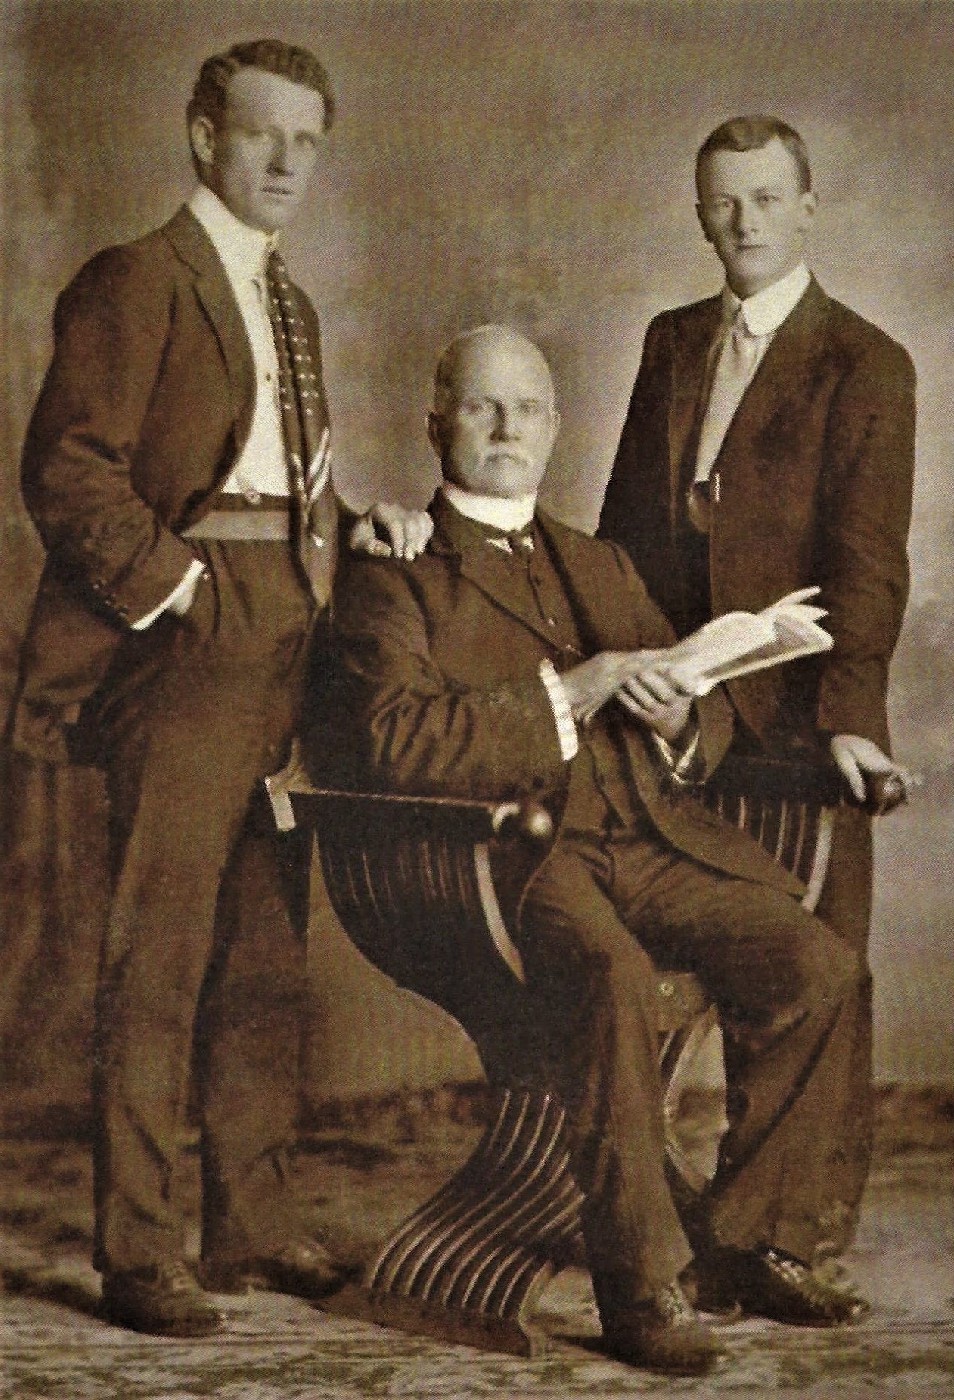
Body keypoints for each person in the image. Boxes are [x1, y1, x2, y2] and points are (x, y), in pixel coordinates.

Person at [321, 323, 869, 1378]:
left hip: (644, 837)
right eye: (481, 406)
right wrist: (573, 690)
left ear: (557, 428)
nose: (506, 428)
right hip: (514, 862)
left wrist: (672, 717)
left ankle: (749, 1238)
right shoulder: (396, 572)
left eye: (527, 408)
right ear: (438, 421)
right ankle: (640, 1280)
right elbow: (398, 740)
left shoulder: (597, 559)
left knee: (819, 962)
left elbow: (700, 723)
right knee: (613, 975)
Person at [7, 38, 430, 1337]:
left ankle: (245, 1229)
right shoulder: (136, 280)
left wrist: (363, 530)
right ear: (203, 137)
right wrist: (180, 591)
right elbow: (69, 470)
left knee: (261, 947)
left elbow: (276, 481)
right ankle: (140, 1250)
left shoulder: (288, 302)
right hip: (184, 644)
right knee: (163, 950)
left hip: (289, 634)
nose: (291, 161)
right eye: (262, 136)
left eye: (310, 138)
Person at [598, 115, 915, 1263]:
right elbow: (623, 534)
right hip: (672, 715)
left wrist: (851, 722)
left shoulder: (866, 361)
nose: (745, 223)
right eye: (724, 203)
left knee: (818, 969)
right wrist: (614, 667)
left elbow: (872, 566)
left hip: (794, 716)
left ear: (809, 208)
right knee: (693, 951)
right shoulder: (671, 339)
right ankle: (703, 1221)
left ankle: (788, 1235)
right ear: (700, 215)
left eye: (768, 200)